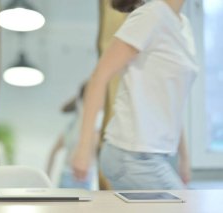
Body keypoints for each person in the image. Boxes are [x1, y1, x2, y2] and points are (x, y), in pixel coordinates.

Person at [72, 0, 198, 190]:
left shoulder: (183, 25)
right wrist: (84, 148)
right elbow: (99, 77)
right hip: (131, 154)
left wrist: (184, 158)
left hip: (160, 154)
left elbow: (170, 101)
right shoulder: (150, 16)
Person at [46, 84, 101, 190]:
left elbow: (53, 152)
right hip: (72, 178)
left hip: (77, 178)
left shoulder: (73, 128)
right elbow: (53, 152)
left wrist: (47, 178)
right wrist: (47, 180)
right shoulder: (79, 127)